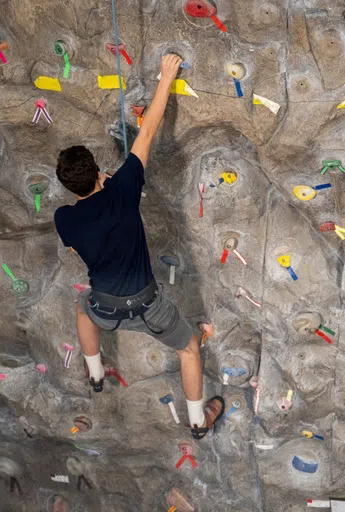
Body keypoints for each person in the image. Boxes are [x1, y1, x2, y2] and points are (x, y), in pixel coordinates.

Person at [54, 54, 224, 440]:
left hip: (104, 306)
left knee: (82, 309)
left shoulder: (65, 218)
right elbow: (147, 133)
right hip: (149, 307)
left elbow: (76, 249)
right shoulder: (124, 188)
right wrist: (166, 76)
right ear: (99, 171)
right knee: (189, 348)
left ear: (69, 187)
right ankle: (198, 420)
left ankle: (95, 373)